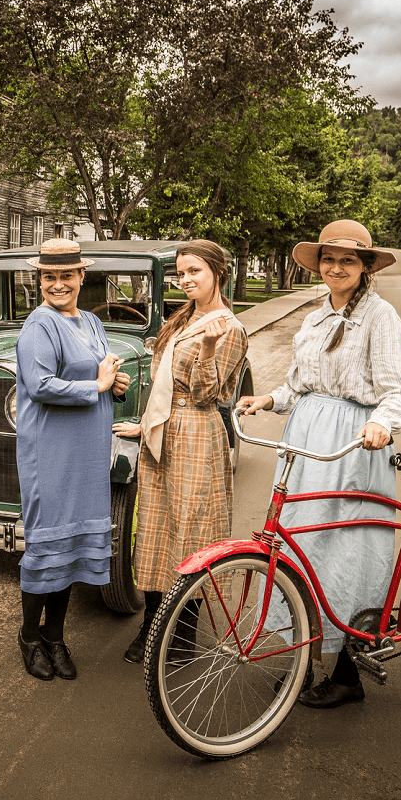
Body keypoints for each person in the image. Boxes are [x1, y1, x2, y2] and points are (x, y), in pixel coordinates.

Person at [237, 219, 401, 709]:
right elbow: (298, 385)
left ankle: (344, 671)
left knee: (341, 551)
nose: (336, 267)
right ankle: (306, 658)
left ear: (364, 268)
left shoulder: (381, 318)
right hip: (306, 440)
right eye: (329, 259)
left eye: (348, 260)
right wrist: (268, 399)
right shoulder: (315, 317)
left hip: (355, 445)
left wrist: (382, 425)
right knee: (299, 546)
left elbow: (397, 392)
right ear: (319, 265)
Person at [113, 240, 248, 664]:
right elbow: (163, 383)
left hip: (195, 435)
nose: (186, 279)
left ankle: (183, 633)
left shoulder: (228, 328)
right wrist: (146, 422)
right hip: (163, 435)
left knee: (190, 534)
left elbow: (212, 395)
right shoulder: (184, 317)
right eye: (181, 272)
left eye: (196, 272)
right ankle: (152, 625)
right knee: (154, 532)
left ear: (218, 274)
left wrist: (207, 350)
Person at [13, 239, 130, 681]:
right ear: (39, 279)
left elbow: (97, 372)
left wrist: (113, 383)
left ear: (83, 277)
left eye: (66, 276)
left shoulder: (93, 323)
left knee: (74, 550)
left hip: (87, 451)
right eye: (48, 277)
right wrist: (98, 387)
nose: (57, 284)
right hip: (52, 453)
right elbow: (41, 384)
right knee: (47, 547)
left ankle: (55, 636)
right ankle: (28, 635)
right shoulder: (38, 325)